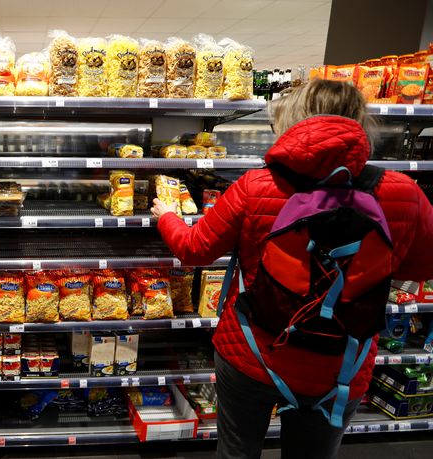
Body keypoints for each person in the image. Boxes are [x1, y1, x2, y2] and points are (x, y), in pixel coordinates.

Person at [151, 79, 433, 459]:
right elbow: (423, 266)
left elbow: (195, 249)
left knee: (236, 451)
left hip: (253, 353)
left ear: (292, 122)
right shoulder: (403, 191)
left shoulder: (257, 185)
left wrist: (167, 216)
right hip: (342, 366)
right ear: (361, 123)